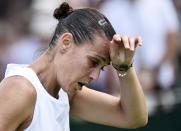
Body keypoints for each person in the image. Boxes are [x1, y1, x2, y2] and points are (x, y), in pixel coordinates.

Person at [0, 2, 148, 131]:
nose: (95, 77)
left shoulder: (65, 93)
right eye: (93, 62)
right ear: (66, 42)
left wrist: (124, 67)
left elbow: (134, 118)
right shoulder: (20, 90)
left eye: (101, 68)